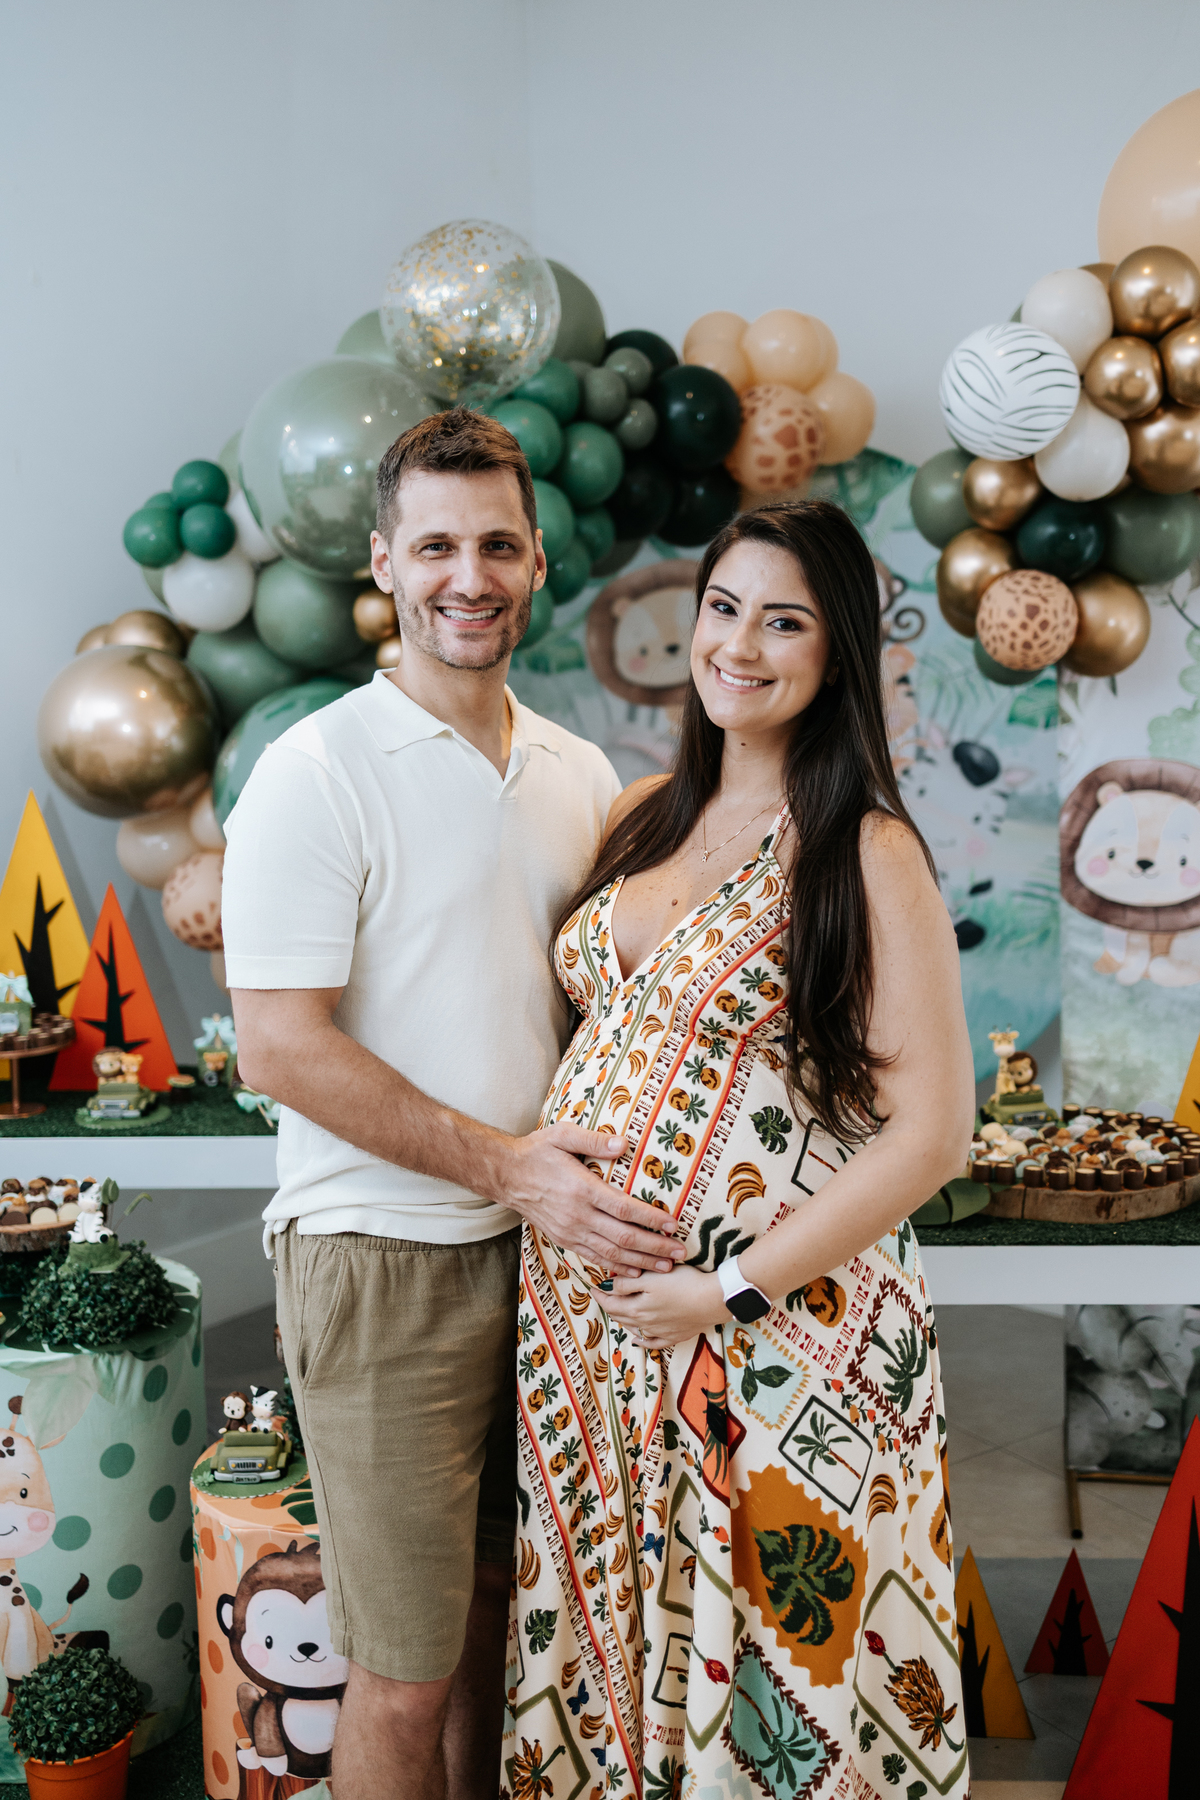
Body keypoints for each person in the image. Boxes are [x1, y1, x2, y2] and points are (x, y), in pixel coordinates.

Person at [221, 407, 685, 1800]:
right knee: (403, 1670)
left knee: (506, 1633)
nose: (466, 576)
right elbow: (282, 1050)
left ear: (539, 561)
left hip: (546, 1269)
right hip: (380, 1262)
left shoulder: (578, 773)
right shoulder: (315, 771)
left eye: (496, 543)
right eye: (435, 546)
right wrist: (515, 1170)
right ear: (384, 563)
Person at [507, 501, 975, 1800]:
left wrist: (728, 1289)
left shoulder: (863, 849)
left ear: (837, 655)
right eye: (725, 608)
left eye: (787, 621)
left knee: (769, 1682)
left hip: (772, 1335)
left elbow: (936, 1129)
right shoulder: (643, 814)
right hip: (592, 1337)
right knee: (616, 1647)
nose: (741, 646)